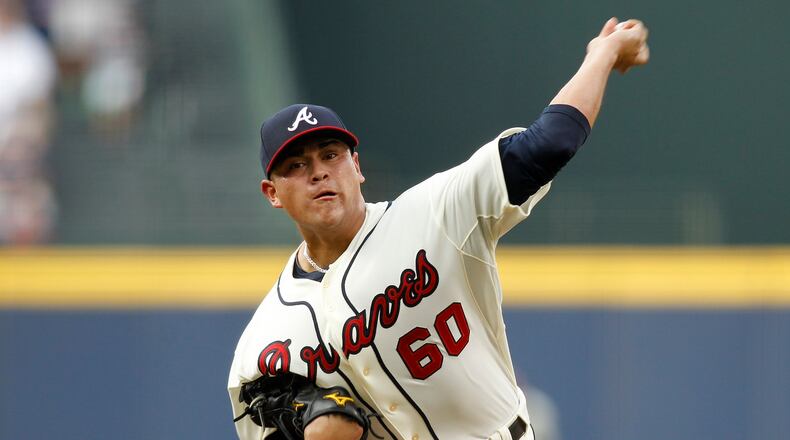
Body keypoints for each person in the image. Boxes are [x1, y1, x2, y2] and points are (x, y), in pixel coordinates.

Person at [228, 17, 649, 440]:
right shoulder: (265, 343)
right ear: (272, 192)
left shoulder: (436, 212)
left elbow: (551, 142)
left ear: (356, 166)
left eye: (331, 155)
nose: (319, 173)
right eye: (296, 166)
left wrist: (602, 55)